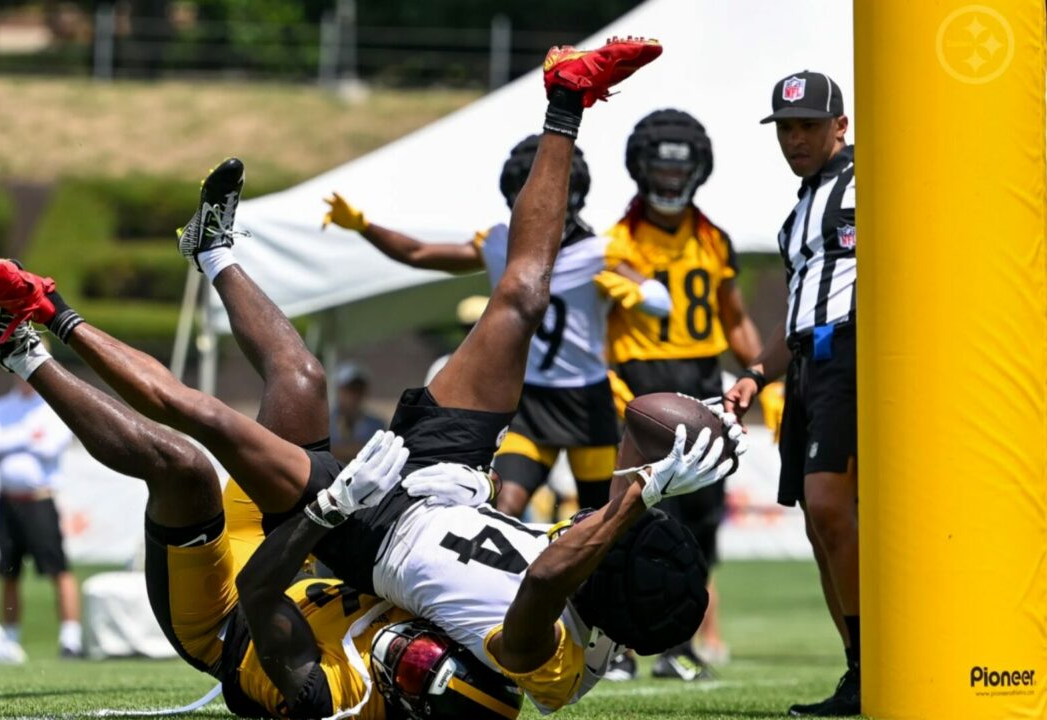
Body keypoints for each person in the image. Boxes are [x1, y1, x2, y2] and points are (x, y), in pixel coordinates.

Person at [0, 36, 738, 714]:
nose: (411, 665)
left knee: (196, 443)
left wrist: (334, 508)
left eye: (413, 680)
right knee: (517, 299)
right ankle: (568, 97)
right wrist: (692, 448)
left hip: (323, 561)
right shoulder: (591, 590)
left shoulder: (549, 662)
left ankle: (46, 321)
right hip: (441, 484)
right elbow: (616, 476)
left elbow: (538, 583)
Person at [0, 171, 519, 718]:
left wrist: (331, 507)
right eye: (428, 653)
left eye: (411, 671)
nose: (405, 649)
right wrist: (477, 494)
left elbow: (259, 591)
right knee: (302, 379)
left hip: (226, 614)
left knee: (184, 466)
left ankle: (27, 344)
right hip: (304, 549)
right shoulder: (466, 633)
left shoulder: (337, 701)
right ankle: (210, 248)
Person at [322, 133, 620, 517]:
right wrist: (364, 226)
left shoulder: (603, 252)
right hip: (526, 397)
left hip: (586, 397)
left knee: (598, 515)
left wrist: (643, 299)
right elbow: (420, 253)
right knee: (506, 503)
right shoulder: (499, 243)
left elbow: (656, 305)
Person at [593, 109, 763, 679]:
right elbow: (590, 324)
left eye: (679, 171)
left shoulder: (714, 239)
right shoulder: (615, 242)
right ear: (641, 169)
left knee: (699, 526)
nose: (669, 181)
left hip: (704, 386)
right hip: (639, 387)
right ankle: (611, 645)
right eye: (660, 171)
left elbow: (735, 320)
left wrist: (764, 375)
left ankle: (676, 646)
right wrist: (607, 385)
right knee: (623, 517)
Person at [724, 70, 859, 717]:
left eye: (807, 125)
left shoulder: (873, 180)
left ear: (842, 125)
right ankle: (858, 669)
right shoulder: (798, 214)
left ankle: (878, 664)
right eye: (785, 127)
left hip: (855, 355)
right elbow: (798, 317)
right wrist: (756, 371)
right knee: (816, 521)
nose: (795, 138)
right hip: (808, 364)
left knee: (832, 505)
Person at [0, 375, 82, 659]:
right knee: (9, 573)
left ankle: (71, 638)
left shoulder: (52, 407)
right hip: (7, 501)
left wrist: (10, 439)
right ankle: (10, 638)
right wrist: (27, 437)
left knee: (57, 569)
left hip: (39, 501)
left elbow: (50, 447)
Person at [329, 362, 387, 462]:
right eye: (350, 389)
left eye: (359, 389)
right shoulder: (324, 423)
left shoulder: (376, 425)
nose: (354, 395)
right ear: (339, 390)